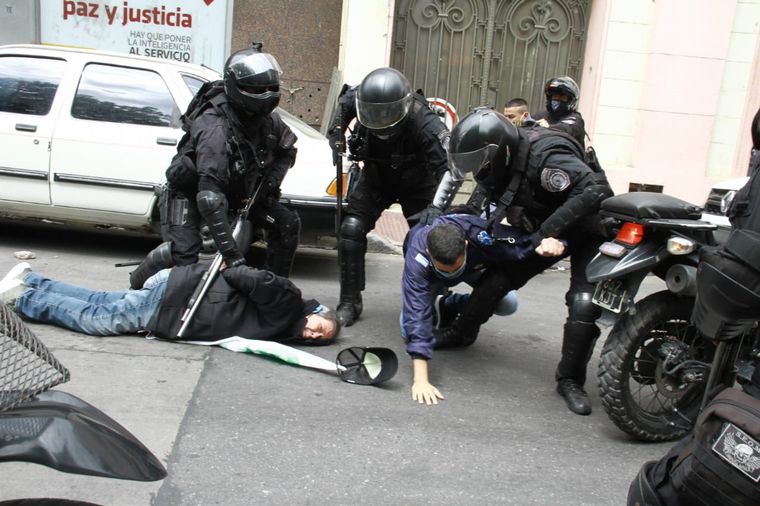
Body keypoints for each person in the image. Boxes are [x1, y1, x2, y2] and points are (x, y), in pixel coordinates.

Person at [438, 107, 613, 415]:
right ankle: (462, 332)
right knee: (498, 278)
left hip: (587, 229)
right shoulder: (502, 162)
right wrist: (457, 213)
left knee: (583, 304)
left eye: (481, 162)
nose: (478, 169)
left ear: (500, 152)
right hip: (546, 230)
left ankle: (570, 380)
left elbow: (597, 190)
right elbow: (486, 190)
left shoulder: (548, 157)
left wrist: (545, 234)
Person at [129, 43, 300, 290]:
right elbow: (209, 198)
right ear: (237, 87)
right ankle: (140, 280)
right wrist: (232, 256)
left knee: (287, 224)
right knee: (185, 259)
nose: (265, 94)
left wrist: (267, 186)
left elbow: (287, 150)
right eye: (256, 89)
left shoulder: (268, 120)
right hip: (190, 190)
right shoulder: (214, 126)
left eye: (270, 89)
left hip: (237, 189)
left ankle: (274, 293)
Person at [327, 67, 461, 327]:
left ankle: (432, 300)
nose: (379, 119)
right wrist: (337, 133)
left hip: (418, 182)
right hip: (377, 176)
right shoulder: (359, 96)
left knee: (425, 238)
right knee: (351, 229)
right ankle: (349, 301)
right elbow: (343, 106)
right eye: (373, 113)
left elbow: (451, 168)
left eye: (386, 113)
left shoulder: (424, 120)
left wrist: (437, 207)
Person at [0, 262, 339, 344]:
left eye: (318, 338)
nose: (313, 334)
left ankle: (31, 279)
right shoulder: (289, 304)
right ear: (317, 313)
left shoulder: (283, 324)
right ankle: (21, 297)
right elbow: (246, 276)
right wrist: (223, 274)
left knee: (100, 300)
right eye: (320, 328)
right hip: (178, 301)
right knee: (96, 319)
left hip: (177, 292)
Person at [401, 214, 536, 405]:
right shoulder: (417, 258)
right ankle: (438, 300)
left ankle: (447, 303)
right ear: (428, 252)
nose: (450, 272)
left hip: (471, 266)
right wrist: (421, 380)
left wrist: (548, 243)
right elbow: (416, 314)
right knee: (407, 329)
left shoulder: (478, 233)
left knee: (507, 303)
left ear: (465, 245)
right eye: (445, 269)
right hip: (430, 278)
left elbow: (520, 244)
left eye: (453, 268)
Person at [533, 76, 586, 147]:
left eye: (562, 97)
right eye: (555, 96)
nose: (557, 99)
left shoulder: (576, 119)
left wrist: (547, 127)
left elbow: (566, 129)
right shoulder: (541, 115)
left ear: (570, 100)